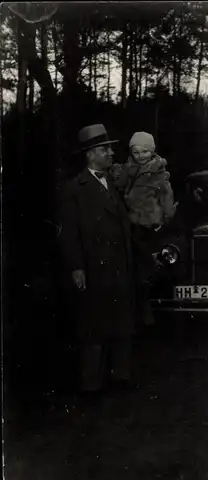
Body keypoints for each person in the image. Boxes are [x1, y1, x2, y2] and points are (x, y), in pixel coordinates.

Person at [60, 124, 136, 396]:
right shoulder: (75, 188)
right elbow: (69, 233)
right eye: (106, 149)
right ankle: (91, 384)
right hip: (95, 268)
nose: (111, 153)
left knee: (121, 324)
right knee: (94, 327)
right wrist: (77, 266)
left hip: (119, 266)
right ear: (91, 154)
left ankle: (120, 378)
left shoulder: (112, 184)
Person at [111, 131, 177, 326]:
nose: (140, 156)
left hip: (149, 223)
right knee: (132, 265)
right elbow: (119, 185)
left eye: (144, 152)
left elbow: (167, 197)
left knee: (146, 265)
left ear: (152, 152)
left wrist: (165, 217)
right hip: (130, 221)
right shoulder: (127, 168)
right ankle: (135, 308)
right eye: (136, 152)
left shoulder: (158, 172)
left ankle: (146, 309)